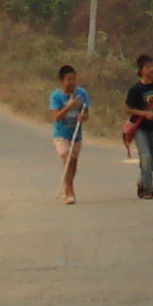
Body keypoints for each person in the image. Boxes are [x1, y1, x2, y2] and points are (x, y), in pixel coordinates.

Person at [122, 53, 153, 200]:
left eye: (152, 66)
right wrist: (144, 114)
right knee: (146, 157)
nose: (151, 69)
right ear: (141, 70)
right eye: (148, 67)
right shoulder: (135, 89)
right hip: (140, 128)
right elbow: (127, 108)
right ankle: (147, 190)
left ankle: (142, 181)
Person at [47, 63, 90, 204]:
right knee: (66, 157)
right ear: (62, 81)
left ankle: (69, 186)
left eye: (74, 79)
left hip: (76, 134)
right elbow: (57, 117)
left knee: (73, 163)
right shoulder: (56, 96)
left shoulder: (82, 94)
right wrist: (69, 106)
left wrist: (82, 117)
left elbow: (86, 113)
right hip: (61, 133)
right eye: (69, 80)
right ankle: (69, 190)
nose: (72, 83)